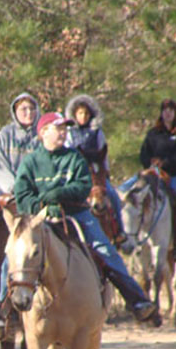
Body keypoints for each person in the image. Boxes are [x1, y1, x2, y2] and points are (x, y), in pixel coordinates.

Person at [13, 112, 159, 325]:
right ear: (44, 132)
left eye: (65, 128)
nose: (64, 133)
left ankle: (137, 300)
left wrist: (58, 195)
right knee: (15, 252)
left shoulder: (74, 158)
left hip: (76, 213)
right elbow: (22, 195)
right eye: (59, 128)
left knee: (104, 250)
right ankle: (1, 313)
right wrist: (42, 205)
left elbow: (83, 187)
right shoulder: (30, 162)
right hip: (39, 217)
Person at [0, 92, 40, 339]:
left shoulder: (41, 136)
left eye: (31, 108)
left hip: (33, 198)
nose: (27, 112)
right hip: (5, 193)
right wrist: (15, 189)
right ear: (15, 111)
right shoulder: (4, 135)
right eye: (23, 109)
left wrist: (31, 191)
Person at [64, 94, 129, 249]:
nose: (83, 117)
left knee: (113, 195)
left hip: (96, 170)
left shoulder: (97, 132)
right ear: (74, 114)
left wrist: (106, 172)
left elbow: (103, 152)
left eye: (86, 114)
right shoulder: (69, 133)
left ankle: (119, 230)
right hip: (79, 172)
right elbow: (68, 154)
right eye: (80, 113)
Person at [135, 99, 176, 261]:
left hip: (174, 176)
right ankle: (132, 238)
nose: (167, 113)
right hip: (153, 174)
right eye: (165, 110)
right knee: (129, 192)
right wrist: (150, 163)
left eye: (171, 110)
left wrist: (165, 162)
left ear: (175, 113)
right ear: (161, 113)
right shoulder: (153, 133)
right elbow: (143, 153)